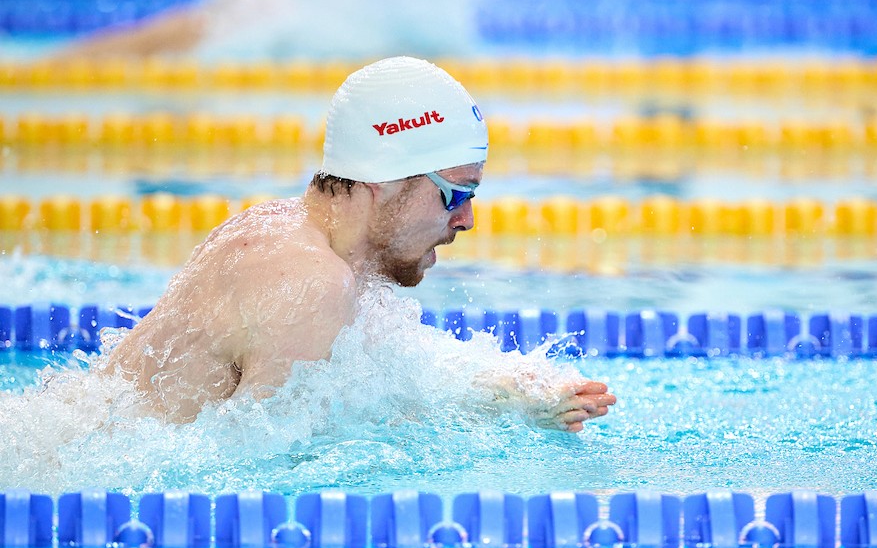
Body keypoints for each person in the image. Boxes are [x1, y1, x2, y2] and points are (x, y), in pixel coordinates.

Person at [104, 56, 615, 431]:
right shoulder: (310, 283)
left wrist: (517, 393)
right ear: (384, 183)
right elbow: (262, 468)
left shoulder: (293, 235)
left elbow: (393, 371)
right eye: (455, 193)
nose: (467, 219)